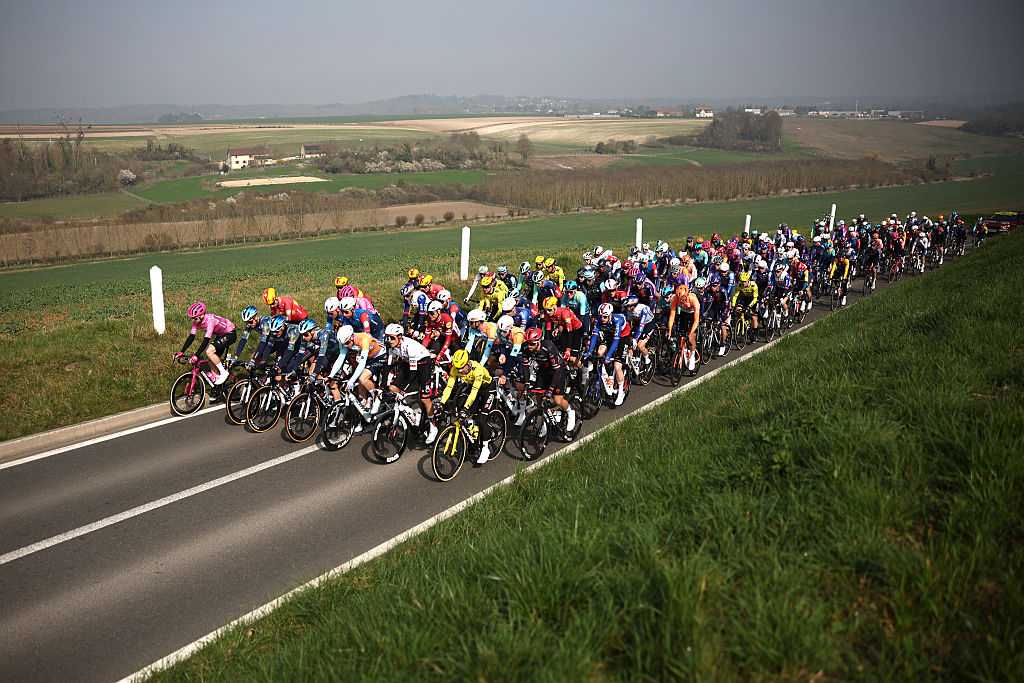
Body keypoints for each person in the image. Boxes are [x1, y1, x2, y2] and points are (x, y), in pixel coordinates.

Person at [438, 349, 494, 466]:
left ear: (468, 362)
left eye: (462, 368)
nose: (459, 371)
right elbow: (449, 387)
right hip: (471, 385)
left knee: (482, 418)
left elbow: (474, 392)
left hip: (486, 389)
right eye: (457, 368)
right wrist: (441, 403)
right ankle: (472, 429)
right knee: (459, 406)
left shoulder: (477, 369)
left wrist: (466, 408)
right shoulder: (456, 369)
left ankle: (485, 448)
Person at [384, 323, 438, 444]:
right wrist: (383, 385)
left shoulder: (409, 346)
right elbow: (387, 365)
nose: (389, 340)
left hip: (423, 363)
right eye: (387, 337)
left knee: (425, 398)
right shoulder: (390, 345)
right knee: (392, 387)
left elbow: (414, 372)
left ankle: (433, 426)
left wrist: (404, 389)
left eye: (392, 337)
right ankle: (409, 410)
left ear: (399, 337)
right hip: (407, 362)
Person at [521, 327, 576, 433]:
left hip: (557, 370)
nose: (529, 346)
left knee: (557, 400)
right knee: (539, 397)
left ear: (538, 342)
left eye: (532, 344)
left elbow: (557, 370)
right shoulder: (525, 348)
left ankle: (570, 412)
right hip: (543, 370)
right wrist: (527, 383)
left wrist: (551, 388)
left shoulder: (549, 347)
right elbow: (525, 366)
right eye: (528, 343)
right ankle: (545, 421)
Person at [173, 302, 237, 385]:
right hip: (220, 335)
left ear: (202, 315)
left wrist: (196, 355)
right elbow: (191, 337)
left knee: (209, 351)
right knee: (211, 361)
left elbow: (206, 340)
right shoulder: (196, 322)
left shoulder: (210, 320)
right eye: (193, 318)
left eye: (195, 318)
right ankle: (218, 389)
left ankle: (224, 372)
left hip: (230, 333)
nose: (194, 320)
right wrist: (182, 351)